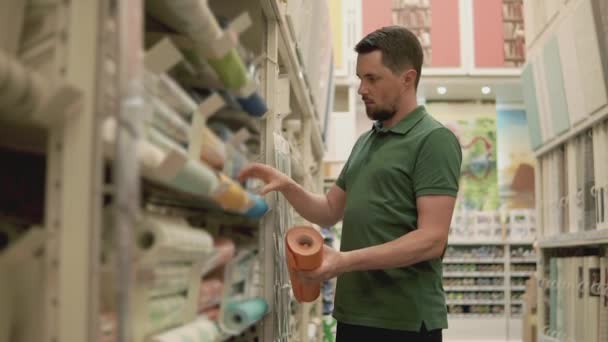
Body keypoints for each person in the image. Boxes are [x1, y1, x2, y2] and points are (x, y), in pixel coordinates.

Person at [238, 26, 462, 342]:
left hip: (403, 322)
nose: (361, 89)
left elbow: (431, 239)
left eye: (372, 79)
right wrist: (288, 185)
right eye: (360, 78)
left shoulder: (433, 140)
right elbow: (329, 210)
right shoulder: (366, 142)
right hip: (353, 314)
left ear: (407, 79)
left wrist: (344, 261)